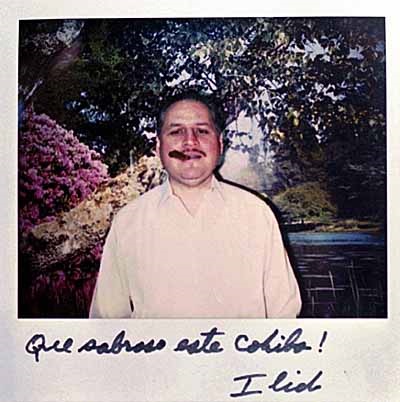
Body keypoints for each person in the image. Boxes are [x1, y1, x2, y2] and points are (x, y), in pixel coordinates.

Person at [89, 92, 301, 318]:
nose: (190, 142)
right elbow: (106, 322)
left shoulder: (257, 215)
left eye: (202, 131)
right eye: (176, 131)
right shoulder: (128, 222)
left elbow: (285, 317)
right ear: (158, 147)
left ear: (220, 144)